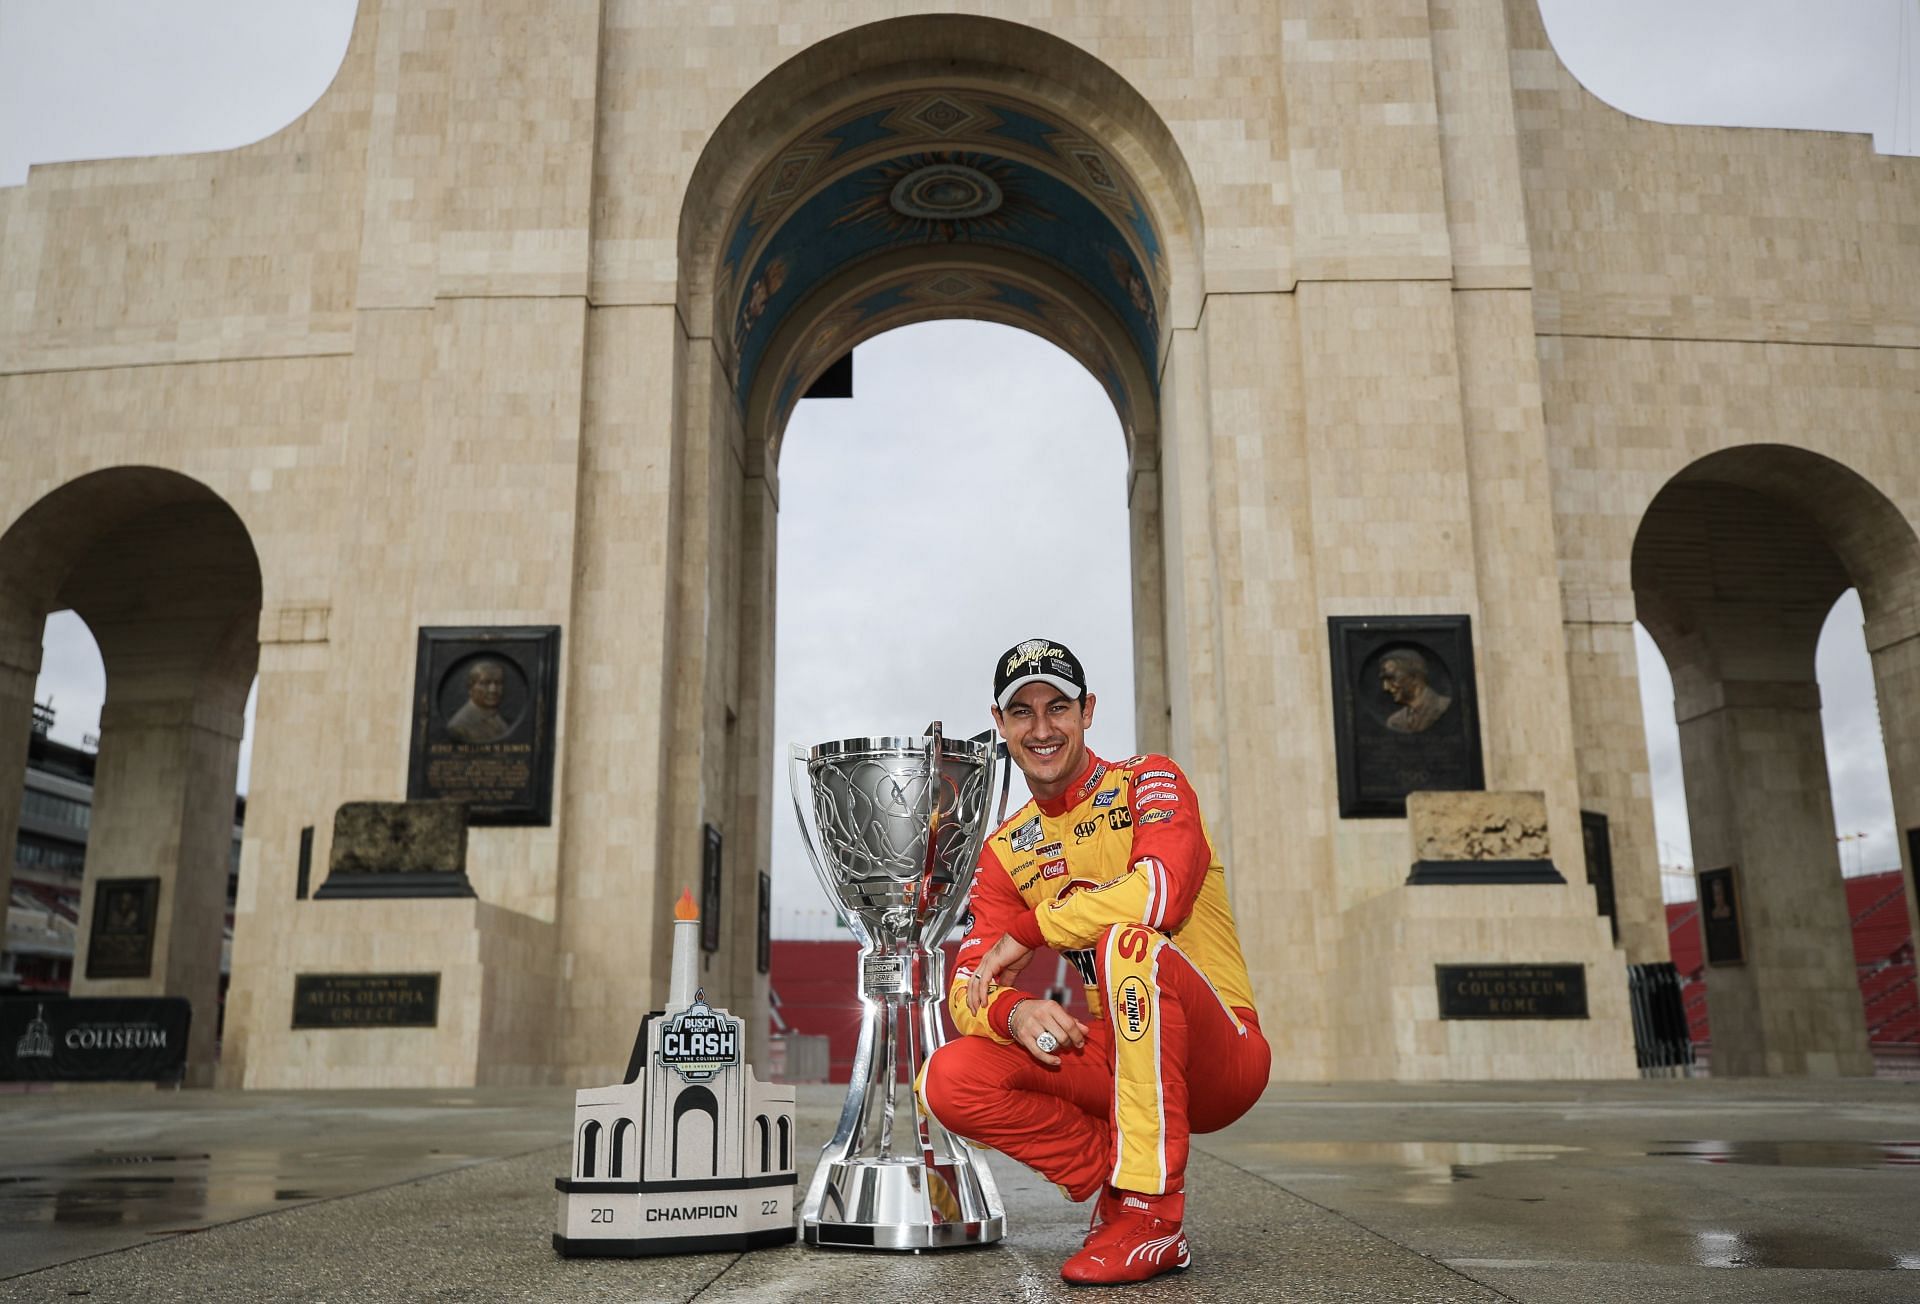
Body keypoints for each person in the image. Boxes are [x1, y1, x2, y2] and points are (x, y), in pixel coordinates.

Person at [917, 638, 1269, 1286]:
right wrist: (1014, 1008)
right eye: (1022, 712)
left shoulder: (1149, 779)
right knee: (949, 1075)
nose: (1042, 728)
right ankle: (1117, 1177)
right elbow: (967, 986)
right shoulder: (1004, 849)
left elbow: (1160, 892)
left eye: (1059, 707)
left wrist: (1032, 929)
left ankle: (1151, 1216)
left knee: (1127, 942)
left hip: (1223, 1054)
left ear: (1088, 711)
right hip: (1119, 1054)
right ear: (1000, 724)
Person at [1379, 647, 1451, 734]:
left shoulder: (1444, 707)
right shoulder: (1394, 722)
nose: (1385, 687)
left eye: (1392, 678)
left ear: (1415, 677)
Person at [446, 660, 511, 743]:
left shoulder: (498, 719)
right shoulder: (458, 727)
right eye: (485, 683)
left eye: (498, 683)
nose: (493, 690)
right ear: (470, 687)